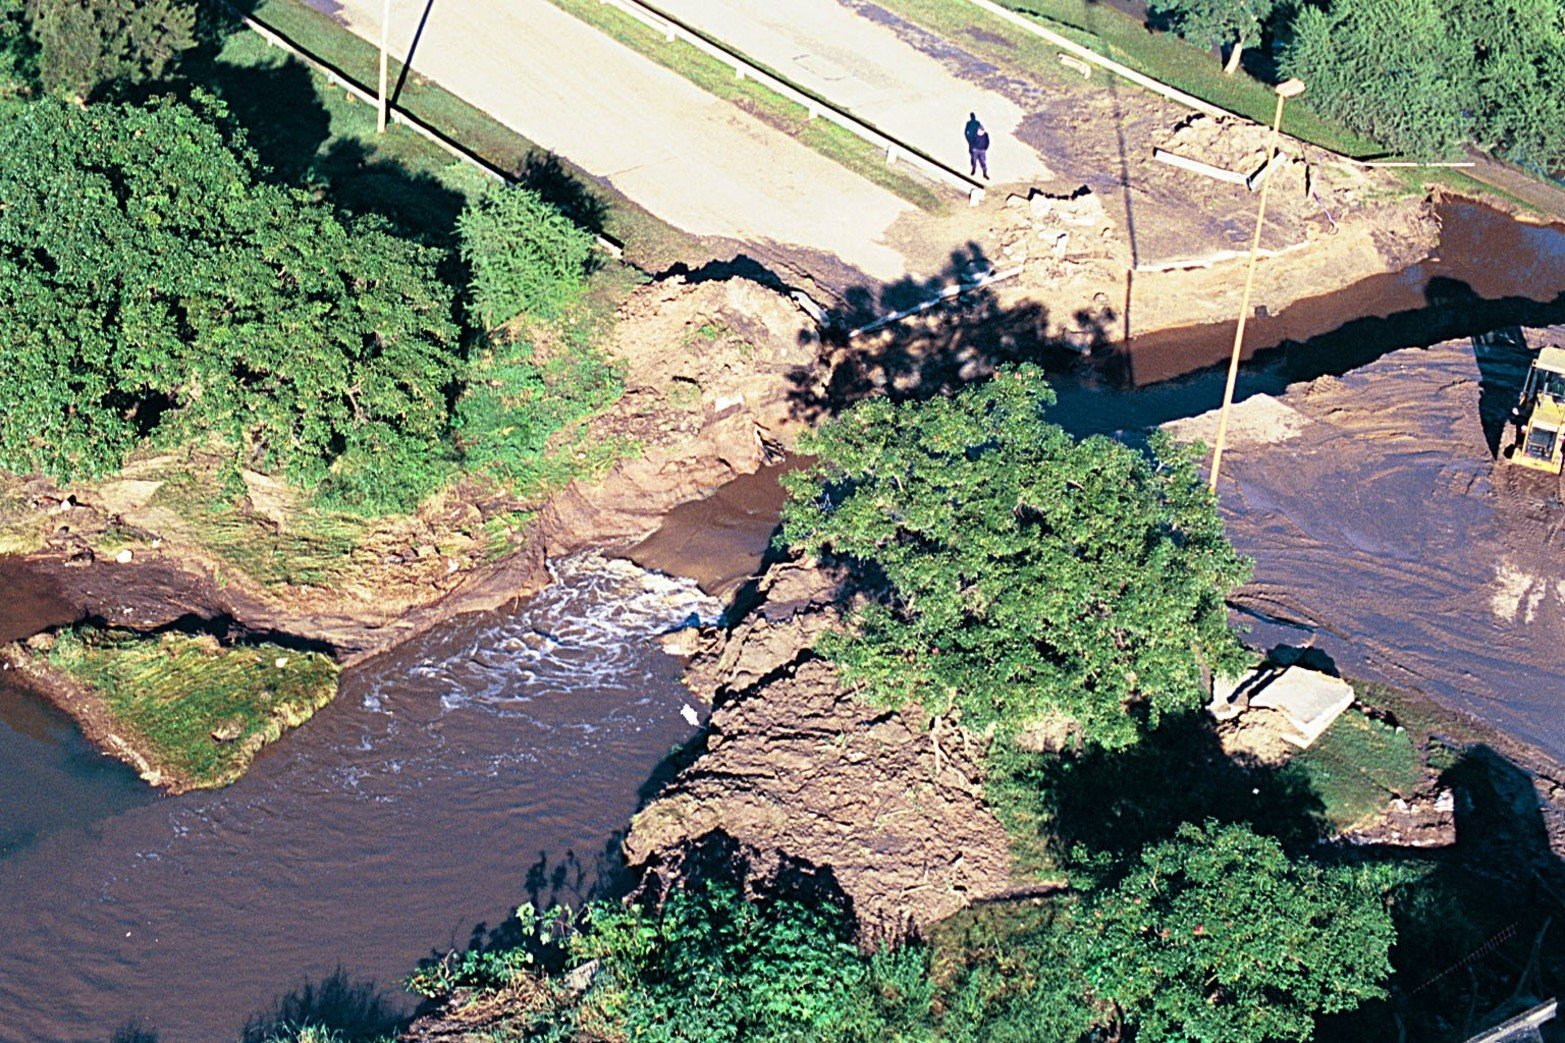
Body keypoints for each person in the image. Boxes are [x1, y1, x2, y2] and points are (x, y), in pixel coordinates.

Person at [964, 112, 990, 180]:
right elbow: (971, 140)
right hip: (976, 150)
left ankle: (984, 173)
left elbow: (987, 142)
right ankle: (973, 169)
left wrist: (985, 148)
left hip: (982, 151)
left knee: (983, 162)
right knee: (974, 160)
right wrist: (973, 147)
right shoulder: (975, 134)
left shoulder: (985, 135)